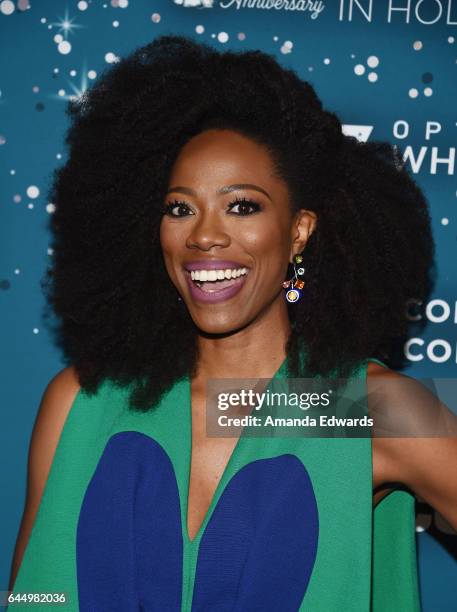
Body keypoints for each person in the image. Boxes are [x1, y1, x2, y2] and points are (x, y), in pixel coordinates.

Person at [8, 35, 457, 611]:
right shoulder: (81, 402)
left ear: (299, 231)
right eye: (180, 208)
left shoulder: (356, 406)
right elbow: (33, 594)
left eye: (242, 205)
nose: (204, 235)